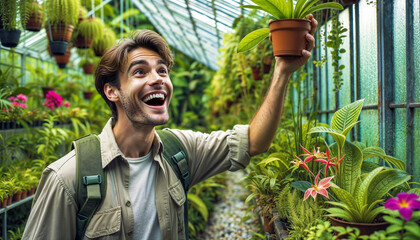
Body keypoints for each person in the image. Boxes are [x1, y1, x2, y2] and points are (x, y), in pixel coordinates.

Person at [23, 15, 318, 240]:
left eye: (162, 70)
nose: (158, 78)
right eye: (140, 71)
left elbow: (253, 141)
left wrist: (281, 71)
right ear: (111, 91)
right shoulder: (68, 178)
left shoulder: (179, 151)